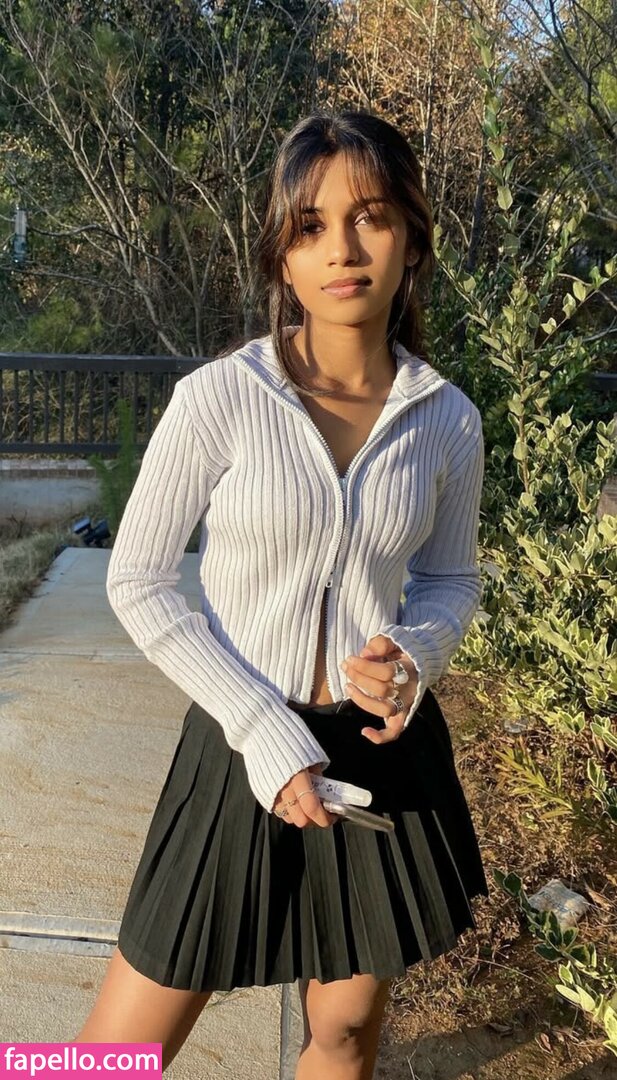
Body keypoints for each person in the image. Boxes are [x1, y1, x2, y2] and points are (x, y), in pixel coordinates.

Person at [73, 110, 489, 1079]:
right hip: (238, 742)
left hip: (375, 759)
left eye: (369, 216)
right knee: (111, 1054)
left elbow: (449, 578)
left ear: (411, 238)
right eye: (310, 226)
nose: (341, 248)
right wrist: (262, 726)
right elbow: (138, 578)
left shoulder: (446, 419)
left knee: (342, 1034)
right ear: (282, 257)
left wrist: (414, 655)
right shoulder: (219, 398)